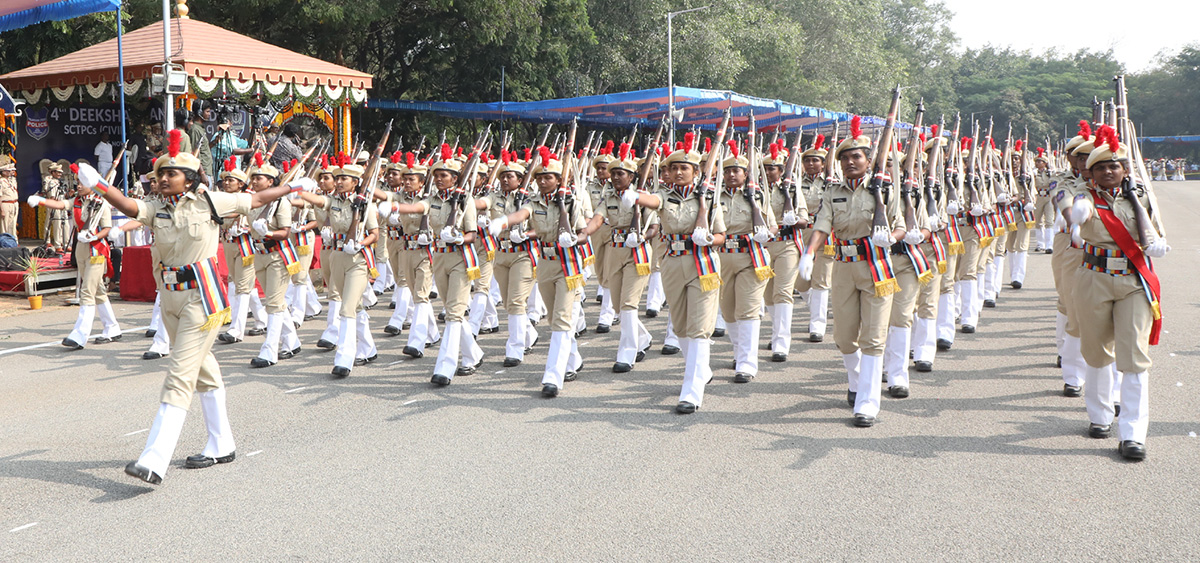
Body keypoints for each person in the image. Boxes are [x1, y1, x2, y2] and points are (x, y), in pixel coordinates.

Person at [76, 129, 298, 485]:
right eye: (160, 173)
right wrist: (100, 184)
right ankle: (221, 442)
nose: (163, 178)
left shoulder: (211, 201)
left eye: (171, 174)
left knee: (179, 374)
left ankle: (155, 458)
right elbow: (129, 206)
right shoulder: (157, 208)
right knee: (204, 370)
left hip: (202, 300)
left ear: (190, 179)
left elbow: (254, 201)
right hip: (171, 298)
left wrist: (291, 188)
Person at [1070, 124, 1168, 461]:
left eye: (1115, 165)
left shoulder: (1141, 198)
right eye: (1101, 167)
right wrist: (1077, 216)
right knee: (1096, 352)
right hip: (1094, 277)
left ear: (1125, 170)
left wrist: (1157, 243)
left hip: (1132, 283)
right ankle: (1100, 417)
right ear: (1092, 173)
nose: (1109, 171)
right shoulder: (1083, 194)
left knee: (1135, 357)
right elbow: (1075, 210)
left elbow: (1154, 232)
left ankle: (1133, 433)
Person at [800, 116, 903, 427]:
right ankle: (857, 382)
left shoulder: (885, 188)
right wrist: (809, 252)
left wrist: (891, 238)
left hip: (876, 266)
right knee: (845, 337)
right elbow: (822, 223)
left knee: (873, 337)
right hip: (843, 267)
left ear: (868, 159)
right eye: (844, 158)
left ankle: (868, 403)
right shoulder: (833, 191)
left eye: (856, 156)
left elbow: (901, 225)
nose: (849, 162)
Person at [620, 133, 725, 413]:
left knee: (699, 328)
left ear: (695, 171)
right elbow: (653, 201)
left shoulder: (711, 198)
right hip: (672, 262)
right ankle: (701, 369)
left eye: (684, 168)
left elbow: (722, 235)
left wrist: (709, 240)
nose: (678, 172)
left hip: (702, 262)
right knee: (680, 328)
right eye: (674, 168)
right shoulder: (665, 195)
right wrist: (636, 197)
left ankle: (691, 392)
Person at [490, 146, 589, 396]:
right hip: (545, 263)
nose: (543, 182)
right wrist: (504, 221)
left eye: (549, 178)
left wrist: (574, 240)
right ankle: (573, 359)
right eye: (540, 178)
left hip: (567, 264)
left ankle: (552, 377)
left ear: (558, 180)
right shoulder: (533, 203)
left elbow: (583, 233)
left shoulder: (571, 201)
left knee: (562, 320)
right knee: (557, 317)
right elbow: (523, 214)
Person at [390, 144, 482, 385]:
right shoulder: (432, 200)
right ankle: (473, 354)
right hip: (439, 258)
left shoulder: (465, 200)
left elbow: (473, 233)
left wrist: (461, 237)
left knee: (453, 313)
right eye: (437, 175)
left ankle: (445, 366)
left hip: (461, 259)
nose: (439, 179)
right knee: (453, 310)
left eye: (444, 176)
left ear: (455, 178)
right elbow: (417, 208)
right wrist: (395, 207)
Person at [292, 153, 380, 377]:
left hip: (357, 260)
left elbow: (375, 234)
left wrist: (360, 243)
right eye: (337, 178)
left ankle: (344, 358)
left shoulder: (365, 205)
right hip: (337, 256)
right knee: (356, 307)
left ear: (356, 182)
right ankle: (368, 349)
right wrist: (295, 190)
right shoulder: (335, 202)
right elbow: (318, 201)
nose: (339, 182)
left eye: (344, 179)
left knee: (346, 308)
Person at [28, 169, 122, 348]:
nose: (78, 185)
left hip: (96, 250)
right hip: (81, 249)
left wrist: (94, 237)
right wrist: (40, 201)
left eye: (82, 183)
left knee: (86, 291)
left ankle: (80, 335)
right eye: (78, 182)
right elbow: (61, 205)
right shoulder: (77, 201)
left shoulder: (102, 203)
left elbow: (107, 228)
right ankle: (112, 327)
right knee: (98, 290)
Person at [590, 143, 655, 372]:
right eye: (613, 173)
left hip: (637, 253)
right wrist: (582, 234)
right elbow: (597, 219)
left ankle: (628, 353)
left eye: (621, 173)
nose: (615, 177)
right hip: (614, 251)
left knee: (629, 304)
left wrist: (642, 236)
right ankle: (643, 337)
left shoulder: (643, 197)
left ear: (631, 176)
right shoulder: (608, 197)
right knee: (618, 305)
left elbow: (655, 226)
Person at [716, 140, 775, 383]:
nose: (731, 175)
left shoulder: (758, 195)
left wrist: (766, 233)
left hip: (751, 256)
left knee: (748, 309)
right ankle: (740, 351)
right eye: (727, 171)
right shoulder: (713, 196)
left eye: (736, 171)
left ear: (745, 173)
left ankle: (747, 363)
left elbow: (771, 224)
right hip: (721, 257)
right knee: (728, 310)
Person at [246, 154, 303, 368]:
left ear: (271, 181)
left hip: (278, 255)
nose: (255, 181)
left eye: (259, 178)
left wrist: (268, 233)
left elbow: (285, 232)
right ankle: (292, 341)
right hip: (259, 254)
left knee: (273, 303)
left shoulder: (280, 203)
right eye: (254, 178)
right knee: (274, 301)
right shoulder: (251, 200)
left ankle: (269, 350)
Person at [487, 150, 539, 367]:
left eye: (510, 176)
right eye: (502, 176)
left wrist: (526, 234)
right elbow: (482, 203)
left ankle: (515, 349)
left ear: (520, 180)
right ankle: (529, 334)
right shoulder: (494, 197)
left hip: (523, 255)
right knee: (510, 303)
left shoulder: (530, 201)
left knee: (517, 301)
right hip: (501, 254)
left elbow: (542, 228)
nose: (505, 179)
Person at [41, 162, 70, 251]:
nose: (60, 174)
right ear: (52, 172)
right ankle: (57, 244)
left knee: (65, 224)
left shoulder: (61, 181)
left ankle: (66, 243)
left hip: (62, 204)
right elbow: (52, 195)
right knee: (55, 223)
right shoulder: (51, 181)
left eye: (61, 173)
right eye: (58, 172)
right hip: (54, 204)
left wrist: (69, 194)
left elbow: (65, 194)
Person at [0, 156, 17, 237]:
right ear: (3, 172)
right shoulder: (1, 181)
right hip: (5, 204)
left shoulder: (9, 181)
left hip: (12, 203)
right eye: (7, 171)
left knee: (11, 225)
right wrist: (2, 210)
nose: (9, 172)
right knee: (4, 226)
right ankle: (4, 243)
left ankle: (11, 241)